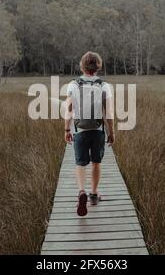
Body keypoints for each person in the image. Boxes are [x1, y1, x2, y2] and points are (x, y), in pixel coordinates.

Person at [65, 52, 115, 217]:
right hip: (97, 131)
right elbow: (108, 113)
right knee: (96, 162)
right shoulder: (104, 85)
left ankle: (81, 192)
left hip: (80, 131)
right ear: (98, 67)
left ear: (82, 66)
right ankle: (93, 194)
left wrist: (67, 129)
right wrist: (111, 132)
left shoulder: (73, 84)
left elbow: (69, 110)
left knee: (80, 163)